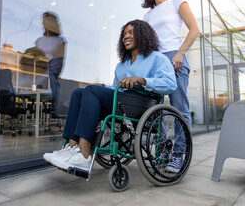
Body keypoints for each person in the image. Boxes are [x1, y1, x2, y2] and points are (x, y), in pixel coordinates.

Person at [43, 20, 177, 172]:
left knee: (91, 90)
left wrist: (141, 80)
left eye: (130, 33)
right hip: (121, 101)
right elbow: (115, 88)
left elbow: (170, 84)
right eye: (124, 34)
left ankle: (84, 154)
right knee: (79, 92)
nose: (126, 36)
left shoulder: (157, 58)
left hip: (141, 104)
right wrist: (104, 87)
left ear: (142, 35)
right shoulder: (122, 65)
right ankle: (71, 148)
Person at [141, 0, 200, 173]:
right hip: (155, 62)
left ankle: (178, 156)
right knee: (151, 107)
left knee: (179, 108)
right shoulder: (148, 15)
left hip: (174, 57)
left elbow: (195, 30)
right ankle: (164, 151)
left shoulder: (177, 2)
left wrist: (180, 54)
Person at [35, 11, 67, 114]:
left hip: (51, 74)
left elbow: (60, 63)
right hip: (38, 73)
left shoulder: (60, 41)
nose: (43, 23)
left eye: (46, 20)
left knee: (49, 78)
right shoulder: (39, 41)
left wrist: (53, 76)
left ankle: (53, 106)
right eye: (43, 21)